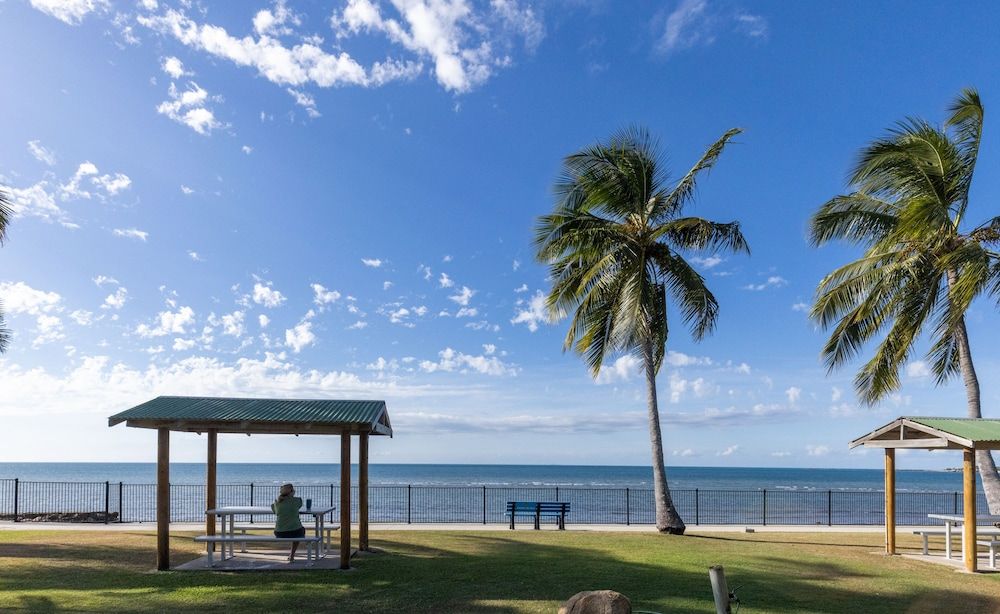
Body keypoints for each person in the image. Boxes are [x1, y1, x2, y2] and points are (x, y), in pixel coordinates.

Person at [271, 483, 305, 562]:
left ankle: (291, 555)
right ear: (292, 491)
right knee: (301, 530)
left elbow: (275, 511)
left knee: (298, 529)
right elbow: (299, 504)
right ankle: (292, 555)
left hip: (279, 532)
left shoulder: (277, 503)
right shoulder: (297, 500)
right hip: (295, 532)